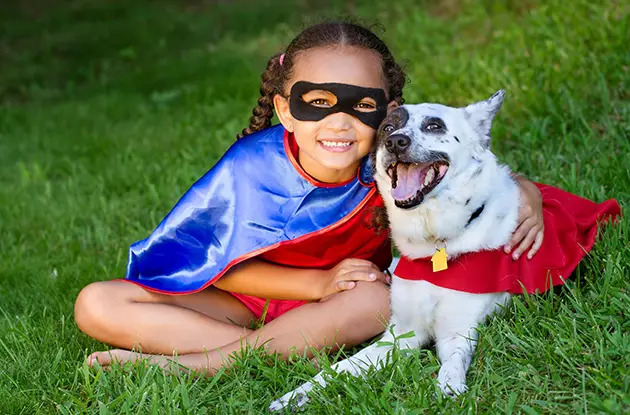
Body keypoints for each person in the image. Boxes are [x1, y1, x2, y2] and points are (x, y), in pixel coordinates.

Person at [73, 21, 545, 374]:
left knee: (379, 304)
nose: (339, 124)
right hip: (246, 300)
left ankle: (204, 362)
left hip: (349, 300)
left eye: (361, 106)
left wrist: (526, 192)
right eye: (317, 103)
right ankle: (265, 347)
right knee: (96, 303)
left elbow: (472, 179)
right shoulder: (251, 167)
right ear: (285, 109)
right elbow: (217, 263)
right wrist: (315, 286)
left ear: (389, 111)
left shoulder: (391, 161)